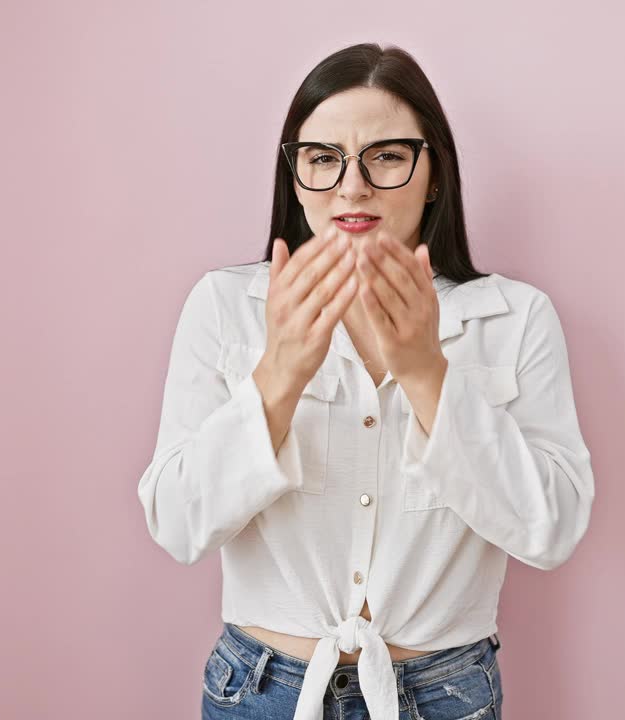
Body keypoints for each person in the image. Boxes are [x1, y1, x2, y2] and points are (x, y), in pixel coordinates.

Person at [137, 42, 596, 720]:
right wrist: (279, 376)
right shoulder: (223, 305)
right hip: (262, 690)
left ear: (434, 171)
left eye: (386, 156)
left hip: (446, 693)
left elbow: (551, 530)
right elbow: (177, 525)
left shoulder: (516, 316)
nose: (353, 187)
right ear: (294, 177)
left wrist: (426, 372)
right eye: (323, 159)